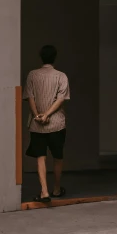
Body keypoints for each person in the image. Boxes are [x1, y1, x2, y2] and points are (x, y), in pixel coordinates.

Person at [24, 45, 70, 203]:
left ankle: (44, 192)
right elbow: (61, 99)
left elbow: (30, 97)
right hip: (57, 123)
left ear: (41, 57)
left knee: (40, 158)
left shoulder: (32, 75)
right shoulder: (61, 76)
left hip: (37, 125)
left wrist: (38, 115)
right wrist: (48, 115)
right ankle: (56, 189)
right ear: (55, 57)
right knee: (58, 157)